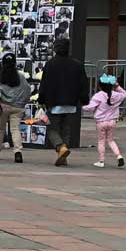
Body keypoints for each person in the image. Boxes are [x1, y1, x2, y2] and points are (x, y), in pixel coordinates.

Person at [38, 38, 90, 167]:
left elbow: (44, 83)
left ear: (55, 48)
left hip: (54, 101)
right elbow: (83, 83)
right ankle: (62, 156)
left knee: (51, 128)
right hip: (71, 102)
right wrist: (84, 99)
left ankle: (60, 147)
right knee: (66, 129)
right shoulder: (77, 64)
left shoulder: (51, 64)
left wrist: (41, 99)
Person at [85, 72, 126, 168]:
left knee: (101, 141)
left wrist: (82, 106)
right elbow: (125, 94)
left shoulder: (98, 95)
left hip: (100, 122)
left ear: (100, 86)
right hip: (112, 121)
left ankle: (101, 161)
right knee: (111, 140)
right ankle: (119, 156)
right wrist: (117, 86)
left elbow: (90, 107)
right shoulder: (117, 95)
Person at [0, 52, 32, 164]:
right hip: (17, 107)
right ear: (15, 63)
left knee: (0, 129)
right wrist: (23, 103)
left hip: (3, 107)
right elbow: (27, 90)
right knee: (15, 129)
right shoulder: (20, 76)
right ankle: (17, 152)